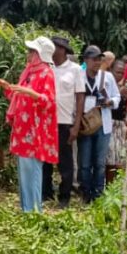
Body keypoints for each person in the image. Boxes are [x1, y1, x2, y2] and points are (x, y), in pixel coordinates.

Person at [0, 37, 57, 213]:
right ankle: (26, 209)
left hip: (34, 130)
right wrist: (7, 86)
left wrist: (31, 93)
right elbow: (18, 95)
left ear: (39, 54)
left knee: (32, 170)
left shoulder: (47, 73)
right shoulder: (29, 72)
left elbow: (49, 102)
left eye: (32, 51)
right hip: (23, 128)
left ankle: (34, 211)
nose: (28, 54)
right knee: (24, 171)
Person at [41, 36, 83, 208]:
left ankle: (64, 197)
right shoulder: (46, 68)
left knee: (65, 162)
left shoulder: (75, 69)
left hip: (64, 121)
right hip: (46, 121)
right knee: (45, 160)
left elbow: (80, 97)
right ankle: (46, 193)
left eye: (54, 47)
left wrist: (76, 125)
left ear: (62, 50)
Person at [77, 46, 120, 203]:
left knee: (100, 162)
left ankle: (98, 194)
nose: (97, 62)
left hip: (103, 123)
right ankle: (86, 192)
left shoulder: (107, 77)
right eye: (93, 59)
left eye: (99, 59)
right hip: (85, 124)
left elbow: (117, 96)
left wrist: (111, 102)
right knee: (84, 162)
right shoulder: (79, 76)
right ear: (86, 60)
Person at [105, 58, 127, 184]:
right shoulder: (105, 86)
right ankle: (109, 186)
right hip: (109, 123)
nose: (120, 75)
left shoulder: (123, 87)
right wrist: (119, 94)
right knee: (110, 160)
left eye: (122, 73)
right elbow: (104, 104)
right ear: (110, 70)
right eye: (118, 72)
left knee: (120, 159)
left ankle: (117, 187)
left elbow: (124, 109)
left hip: (121, 125)